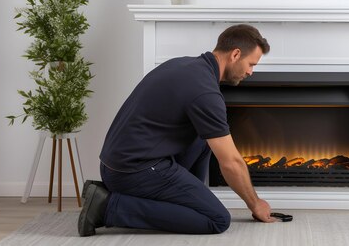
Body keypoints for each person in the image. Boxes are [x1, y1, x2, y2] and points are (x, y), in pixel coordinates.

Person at [78, 24, 273, 236]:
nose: (251, 72)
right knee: (217, 219)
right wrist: (254, 203)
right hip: (132, 171)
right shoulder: (204, 92)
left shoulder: (183, 65)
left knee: (205, 136)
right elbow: (231, 162)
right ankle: (106, 206)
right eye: (251, 64)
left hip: (118, 164)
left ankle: (188, 203)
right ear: (235, 54)